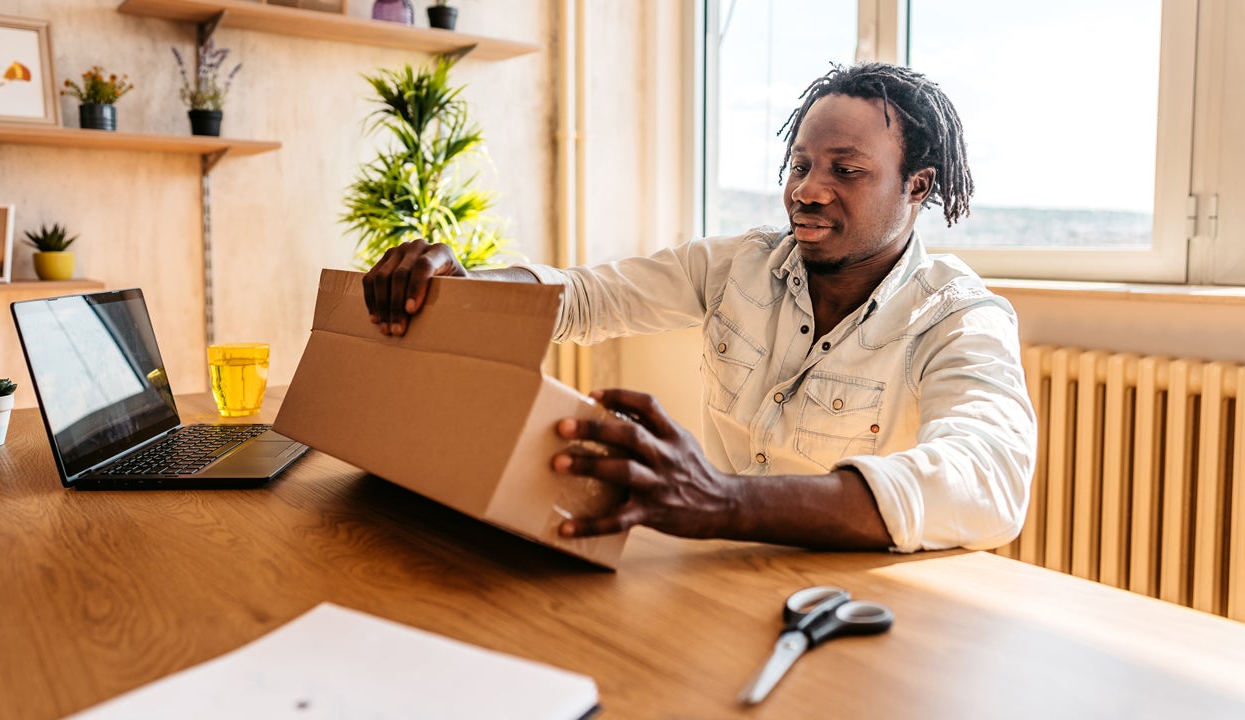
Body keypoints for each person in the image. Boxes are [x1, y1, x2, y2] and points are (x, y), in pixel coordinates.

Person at [362, 62, 1036, 554]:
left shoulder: (959, 316)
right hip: (718, 572)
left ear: (918, 187)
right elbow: (589, 296)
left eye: (846, 170)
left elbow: (989, 478)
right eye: (800, 166)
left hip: (857, 604)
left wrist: (724, 500)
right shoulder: (733, 265)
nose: (808, 190)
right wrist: (467, 281)